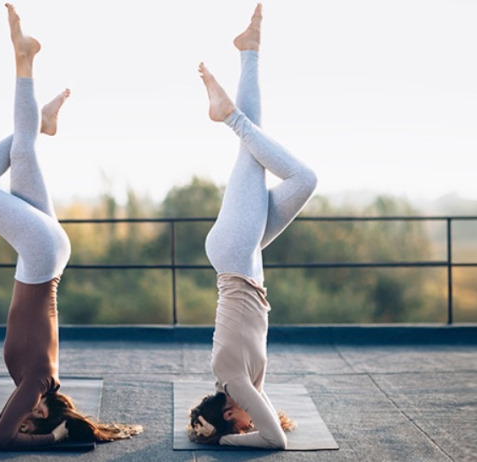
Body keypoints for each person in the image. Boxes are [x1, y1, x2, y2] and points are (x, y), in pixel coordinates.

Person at [0, 3, 141, 450]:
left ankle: (40, 115)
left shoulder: (37, 384)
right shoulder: (40, 382)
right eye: (31, 423)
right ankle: (25, 63)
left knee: (24, 149)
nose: (21, 420)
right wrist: (56, 436)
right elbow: (2, 439)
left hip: (42, 254)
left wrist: (44, 424)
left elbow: (6, 421)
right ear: (43, 414)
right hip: (41, 253)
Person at [188, 3, 318, 449]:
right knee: (271, 162)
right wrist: (207, 428)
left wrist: (220, 440)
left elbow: (273, 441)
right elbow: (268, 424)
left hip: (233, 255)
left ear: (228, 409)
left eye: (238, 424)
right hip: (245, 255)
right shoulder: (245, 385)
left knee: (300, 173)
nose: (248, 424)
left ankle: (230, 114)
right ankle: (249, 51)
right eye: (244, 427)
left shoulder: (233, 381)